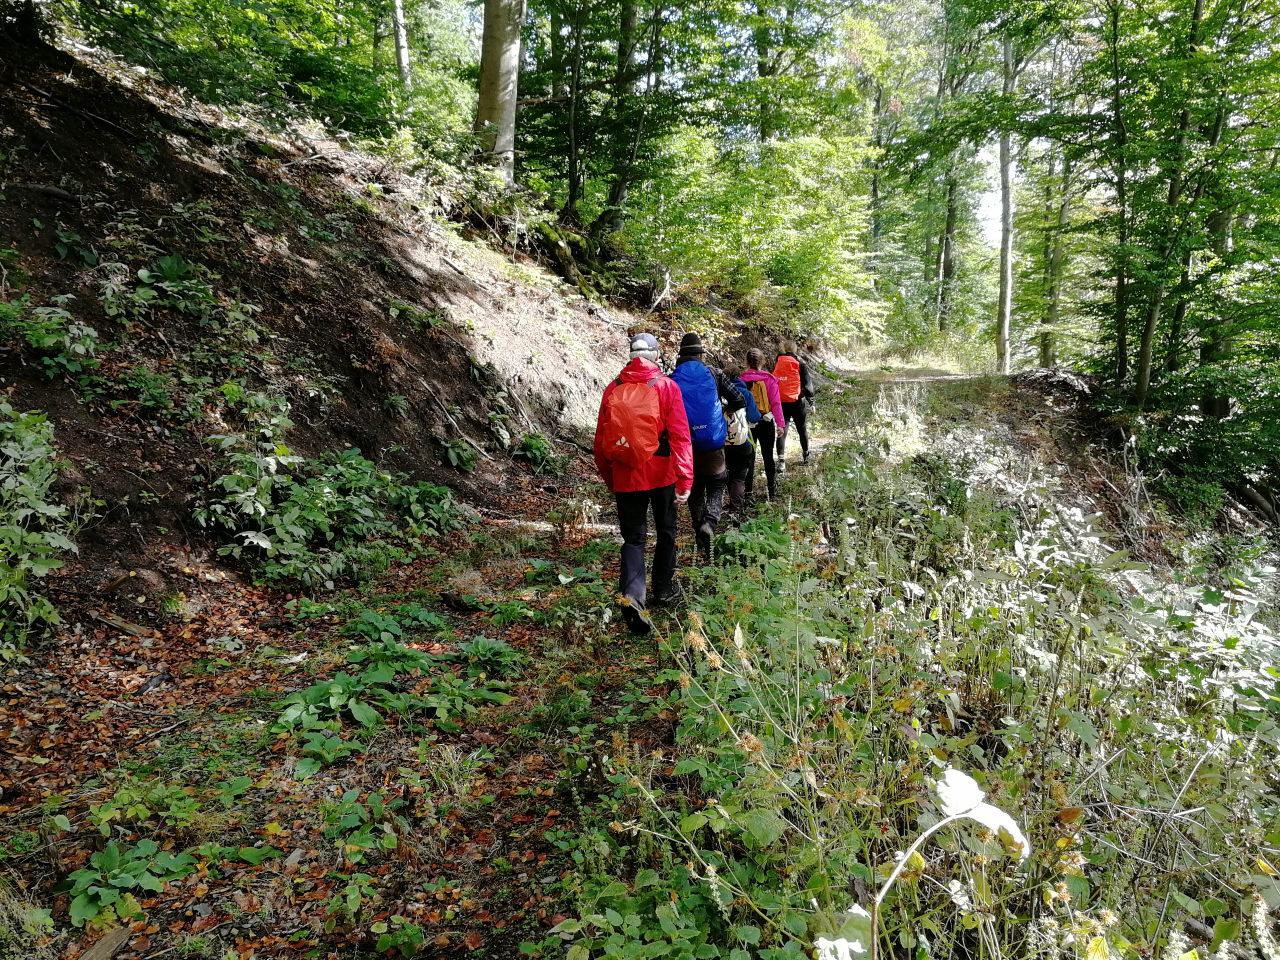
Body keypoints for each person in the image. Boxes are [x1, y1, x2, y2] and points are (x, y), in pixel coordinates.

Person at [593, 333, 693, 635]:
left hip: (626, 474)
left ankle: (633, 597)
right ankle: (663, 589)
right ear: (656, 356)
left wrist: (611, 478)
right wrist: (685, 478)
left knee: (634, 539)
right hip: (663, 474)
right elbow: (680, 436)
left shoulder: (613, 387)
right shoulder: (667, 386)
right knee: (666, 531)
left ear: (630, 356)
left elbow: (601, 442)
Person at [670, 333, 745, 558]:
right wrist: (722, 412)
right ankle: (710, 523)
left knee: (694, 488)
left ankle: (699, 532)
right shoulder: (714, 373)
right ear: (701, 355)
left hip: (686, 442)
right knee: (717, 482)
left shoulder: (671, 379)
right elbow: (739, 399)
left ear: (681, 355)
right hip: (713, 441)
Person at [740, 348, 785, 500]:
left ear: (746, 362)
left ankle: (748, 493)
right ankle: (771, 490)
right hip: (766, 422)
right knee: (768, 456)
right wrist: (780, 424)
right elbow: (776, 403)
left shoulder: (741, 380)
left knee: (749, 458)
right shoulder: (769, 379)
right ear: (763, 361)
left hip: (747, 424)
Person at [721, 360, 762, 514]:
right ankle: (737, 507)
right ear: (739, 376)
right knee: (739, 475)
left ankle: (732, 503)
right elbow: (754, 416)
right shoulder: (745, 393)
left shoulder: (718, 393)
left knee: (728, 472)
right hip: (743, 440)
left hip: (723, 440)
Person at [772, 340, 815, 469]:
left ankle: (781, 462)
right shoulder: (799, 363)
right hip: (797, 402)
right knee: (802, 429)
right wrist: (811, 402)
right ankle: (806, 455)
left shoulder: (778, 362)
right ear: (795, 350)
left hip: (781, 402)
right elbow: (807, 386)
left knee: (782, 430)